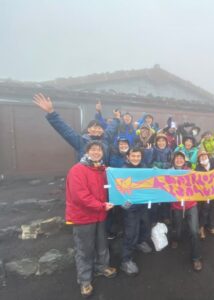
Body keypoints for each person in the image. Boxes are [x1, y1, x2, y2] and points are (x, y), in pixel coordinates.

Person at [65, 141, 116, 297]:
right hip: (83, 217)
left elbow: (120, 180)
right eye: (93, 150)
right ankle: (85, 279)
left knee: (102, 244)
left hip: (100, 214)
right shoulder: (77, 170)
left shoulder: (103, 170)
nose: (96, 152)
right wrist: (101, 205)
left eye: (99, 150)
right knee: (85, 250)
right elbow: (80, 197)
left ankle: (102, 267)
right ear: (86, 152)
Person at [33, 93, 120, 164]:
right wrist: (51, 113)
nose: (97, 130)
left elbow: (112, 128)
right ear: (88, 130)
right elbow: (66, 130)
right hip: (86, 176)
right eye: (94, 127)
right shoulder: (81, 141)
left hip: (103, 176)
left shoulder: (106, 138)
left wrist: (116, 118)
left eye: (100, 128)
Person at [120, 147, 153, 276]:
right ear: (128, 157)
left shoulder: (144, 167)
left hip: (143, 204)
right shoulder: (122, 170)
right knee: (131, 232)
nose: (136, 158)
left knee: (145, 225)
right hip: (130, 208)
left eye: (138, 156)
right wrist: (124, 204)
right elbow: (118, 189)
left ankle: (140, 242)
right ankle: (126, 260)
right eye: (133, 156)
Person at [170, 151, 202, 271]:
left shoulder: (190, 171)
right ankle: (175, 239)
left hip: (191, 204)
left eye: (181, 158)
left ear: (184, 160)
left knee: (194, 231)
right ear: (173, 160)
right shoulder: (168, 173)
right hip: (176, 206)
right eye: (176, 158)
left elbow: (201, 181)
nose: (179, 160)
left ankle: (196, 258)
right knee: (177, 229)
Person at [196, 151, 214, 239]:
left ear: (208, 156)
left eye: (204, 155)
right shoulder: (198, 169)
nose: (203, 157)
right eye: (200, 156)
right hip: (204, 194)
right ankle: (201, 228)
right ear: (198, 159)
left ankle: (211, 226)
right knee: (203, 210)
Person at [150, 133, 173, 224]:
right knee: (156, 198)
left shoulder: (170, 151)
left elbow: (171, 162)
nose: (161, 142)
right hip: (155, 176)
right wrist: (161, 165)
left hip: (167, 177)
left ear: (166, 142)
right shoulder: (153, 150)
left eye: (163, 140)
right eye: (159, 141)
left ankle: (166, 216)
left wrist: (161, 165)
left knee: (166, 197)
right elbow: (150, 163)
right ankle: (155, 218)